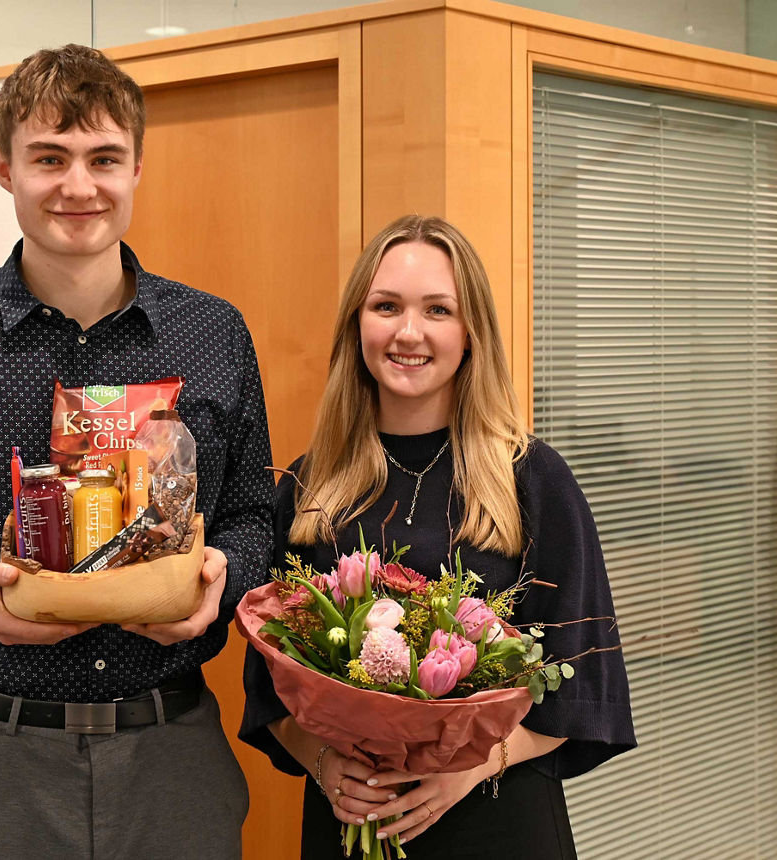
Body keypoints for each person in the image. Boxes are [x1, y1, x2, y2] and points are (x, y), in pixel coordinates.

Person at [0, 45, 272, 859]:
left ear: (138, 167)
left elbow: (251, 518)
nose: (78, 186)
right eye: (49, 158)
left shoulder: (215, 334)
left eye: (104, 158)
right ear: (4, 168)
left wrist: (220, 585)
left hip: (173, 752)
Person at [239, 214, 635, 858]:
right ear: (357, 325)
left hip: (497, 823)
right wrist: (326, 766)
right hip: (350, 827)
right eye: (386, 306)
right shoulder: (309, 488)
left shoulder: (531, 480)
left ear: (470, 332)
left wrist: (470, 766)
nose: (408, 332)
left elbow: (581, 686)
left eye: (438, 310)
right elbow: (268, 686)